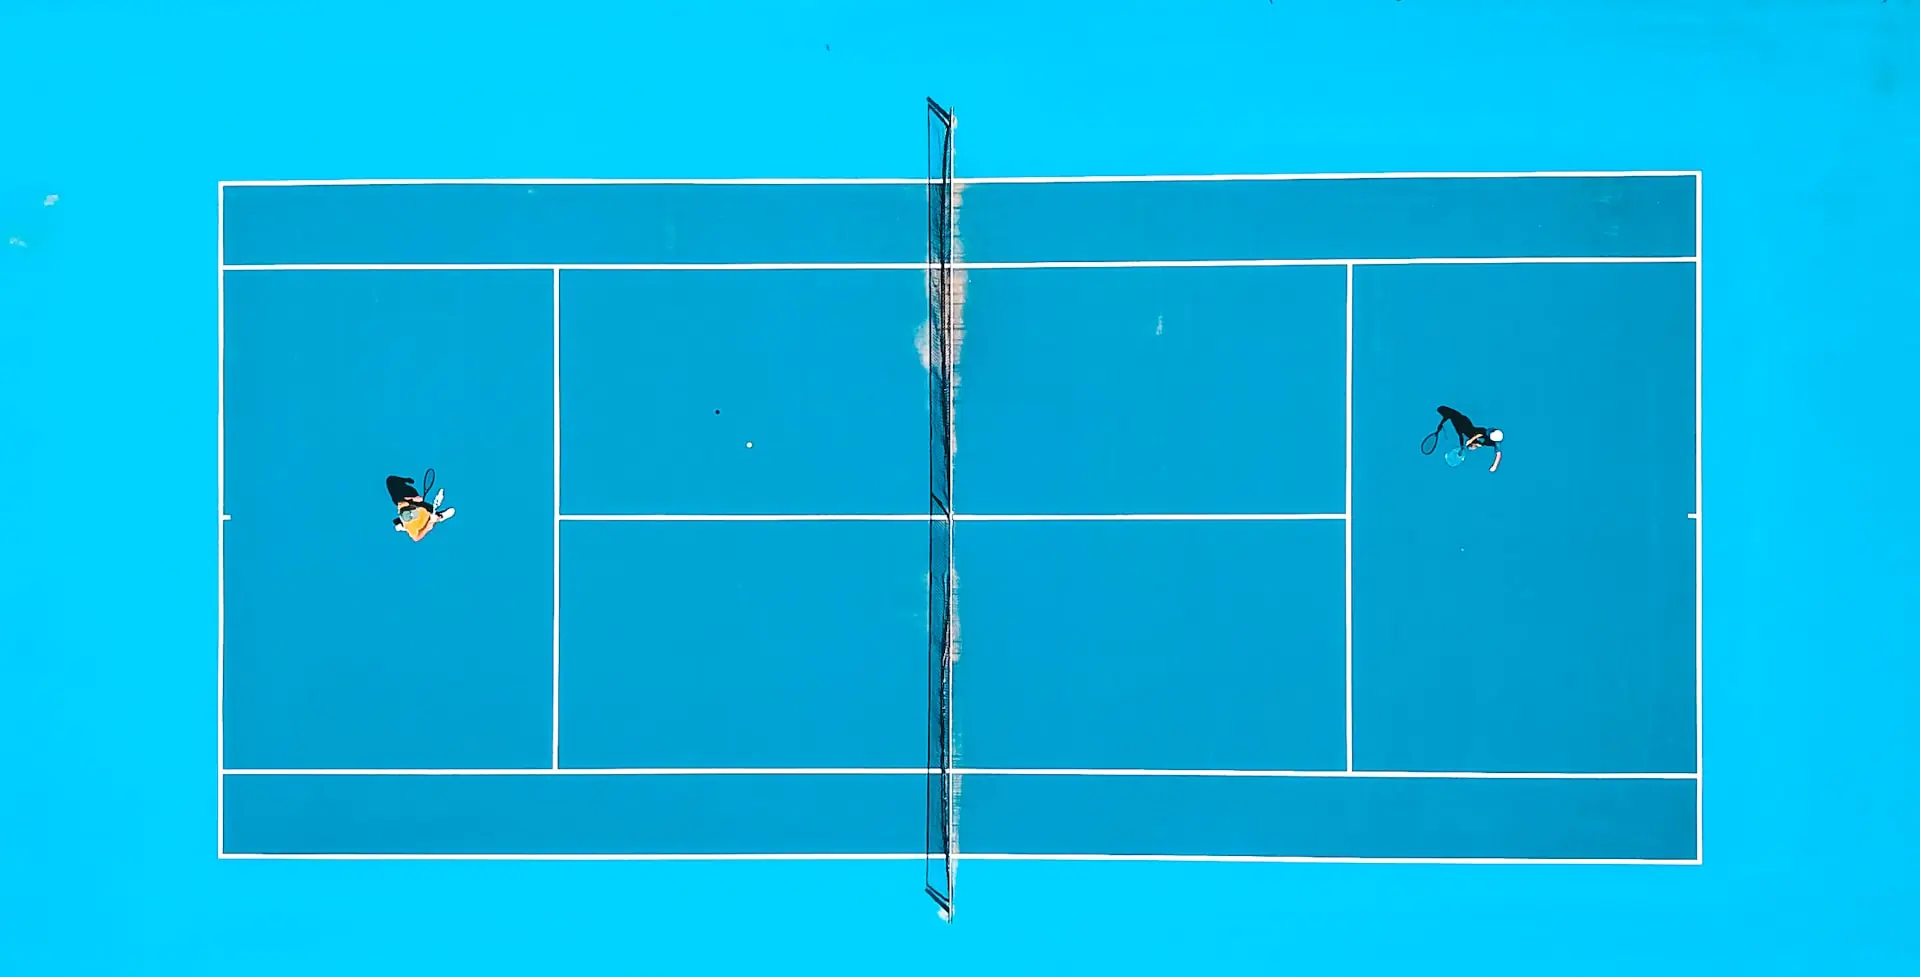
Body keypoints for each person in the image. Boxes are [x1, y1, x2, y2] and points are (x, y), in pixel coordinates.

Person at [1433, 406, 1503, 473]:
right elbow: (1480, 434)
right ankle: (1476, 443)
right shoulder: (1490, 432)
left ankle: (1476, 444)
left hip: (1477, 435)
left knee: (1474, 438)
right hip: (1479, 431)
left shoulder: (1496, 442)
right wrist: (1471, 440)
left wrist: (1494, 466)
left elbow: (1498, 455)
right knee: (1471, 433)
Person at [386, 474, 455, 541]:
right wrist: (428, 526)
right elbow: (416, 538)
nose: (411, 514)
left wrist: (413, 498)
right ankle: (440, 516)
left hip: (410, 499)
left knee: (391, 480)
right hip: (422, 517)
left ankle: (401, 524)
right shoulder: (412, 524)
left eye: (409, 512)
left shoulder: (402, 502)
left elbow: (391, 481)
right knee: (431, 514)